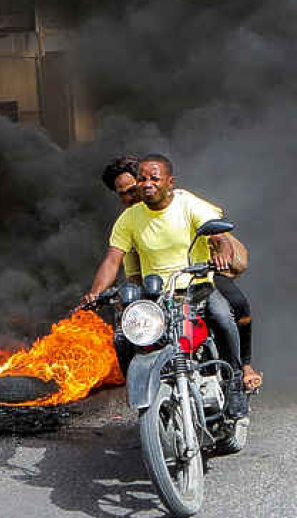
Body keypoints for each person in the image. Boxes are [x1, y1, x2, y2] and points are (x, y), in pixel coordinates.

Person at [83, 153, 249, 418]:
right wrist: (95, 292)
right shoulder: (129, 218)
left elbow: (219, 238)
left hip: (197, 287)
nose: (146, 183)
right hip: (156, 295)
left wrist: (220, 252)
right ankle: (143, 392)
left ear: (170, 182)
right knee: (124, 336)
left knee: (223, 316)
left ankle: (236, 382)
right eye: (142, 179)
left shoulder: (188, 204)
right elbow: (113, 259)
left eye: (154, 178)